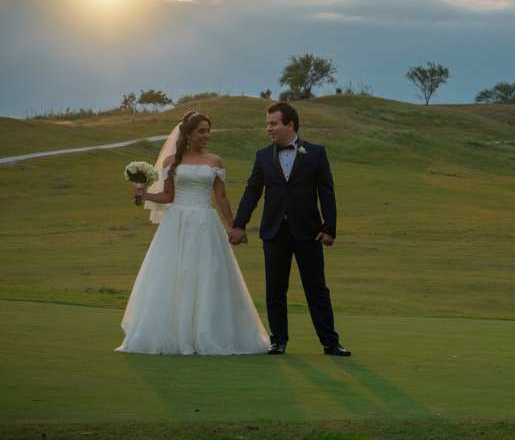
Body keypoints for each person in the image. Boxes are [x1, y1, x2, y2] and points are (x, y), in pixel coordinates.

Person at [116, 111, 269, 355]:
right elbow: (168, 196)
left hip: (206, 223)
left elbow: (220, 197)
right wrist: (143, 194)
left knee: (208, 274)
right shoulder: (171, 162)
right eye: (201, 131)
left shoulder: (215, 162)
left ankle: (206, 333)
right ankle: (174, 335)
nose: (206, 135)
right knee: (173, 275)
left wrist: (233, 227)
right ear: (187, 133)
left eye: (208, 131)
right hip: (176, 223)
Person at [229, 102, 350, 356]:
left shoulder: (316, 153)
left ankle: (330, 342)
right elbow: (252, 192)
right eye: (267, 124)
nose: (268, 129)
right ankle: (278, 340)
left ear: (290, 124)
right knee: (275, 289)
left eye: (273, 124)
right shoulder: (262, 156)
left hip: (309, 232)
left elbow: (327, 193)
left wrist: (330, 228)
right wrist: (239, 224)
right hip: (274, 232)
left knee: (316, 288)